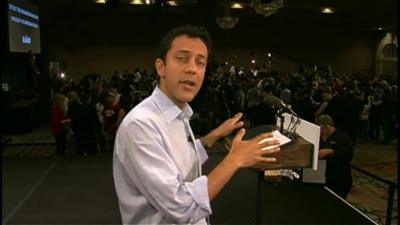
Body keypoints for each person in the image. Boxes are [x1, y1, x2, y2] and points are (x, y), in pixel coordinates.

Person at [113, 24, 280, 225]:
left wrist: (213, 136)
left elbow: (180, 161)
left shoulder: (178, 114)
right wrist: (235, 159)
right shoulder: (140, 126)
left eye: (200, 62)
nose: (192, 68)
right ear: (161, 67)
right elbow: (182, 207)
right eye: (182, 58)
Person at [316, 114, 354, 199]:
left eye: (322, 129)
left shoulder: (343, 138)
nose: (321, 132)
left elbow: (349, 155)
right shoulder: (320, 137)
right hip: (324, 177)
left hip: (340, 179)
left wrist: (331, 151)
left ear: (328, 126)